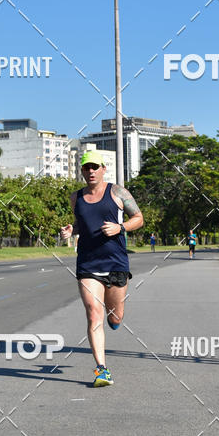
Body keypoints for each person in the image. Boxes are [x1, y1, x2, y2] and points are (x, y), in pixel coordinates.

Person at [61, 150, 143, 387]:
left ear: (103, 169)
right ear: (82, 171)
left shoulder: (117, 192)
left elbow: (139, 218)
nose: (91, 171)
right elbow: (82, 223)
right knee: (93, 313)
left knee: (115, 317)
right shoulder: (76, 197)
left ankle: (114, 316)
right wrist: (72, 230)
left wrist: (120, 227)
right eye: (86, 168)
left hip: (116, 262)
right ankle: (102, 370)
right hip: (88, 263)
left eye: (94, 167)